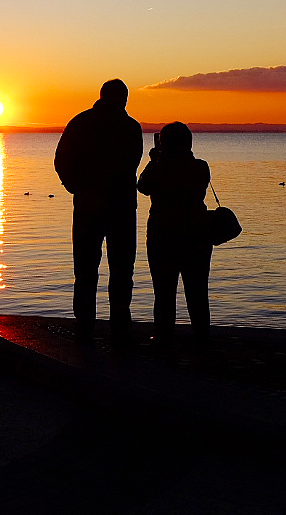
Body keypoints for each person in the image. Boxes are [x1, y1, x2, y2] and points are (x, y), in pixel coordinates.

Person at [53, 79, 144, 326]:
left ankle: (85, 326)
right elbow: (131, 165)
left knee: (86, 271)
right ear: (122, 98)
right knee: (121, 271)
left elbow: (61, 160)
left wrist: (79, 189)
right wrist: (81, 190)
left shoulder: (81, 122)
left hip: (92, 206)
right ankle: (119, 325)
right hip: (119, 207)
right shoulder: (130, 127)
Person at [136, 121, 212, 338]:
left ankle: (163, 337)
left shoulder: (160, 167)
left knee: (163, 292)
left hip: (163, 234)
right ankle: (201, 338)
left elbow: (142, 186)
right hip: (196, 234)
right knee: (197, 292)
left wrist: (155, 159)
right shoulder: (200, 167)